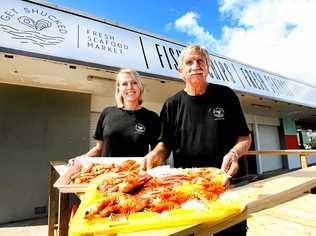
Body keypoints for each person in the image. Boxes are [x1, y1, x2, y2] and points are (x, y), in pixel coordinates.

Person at [143, 45, 251, 236]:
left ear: (208, 66)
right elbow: (164, 144)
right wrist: (155, 155)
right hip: (187, 192)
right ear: (181, 71)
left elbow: (244, 137)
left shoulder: (226, 96)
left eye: (200, 61)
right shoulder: (172, 104)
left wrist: (234, 153)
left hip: (224, 186)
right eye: (189, 62)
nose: (195, 66)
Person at [76, 68, 161, 158]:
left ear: (140, 86)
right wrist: (81, 159)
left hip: (136, 171)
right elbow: (99, 149)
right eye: (124, 84)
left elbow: (157, 153)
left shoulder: (152, 117)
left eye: (134, 83)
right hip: (108, 171)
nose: (130, 87)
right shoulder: (107, 113)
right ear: (119, 88)